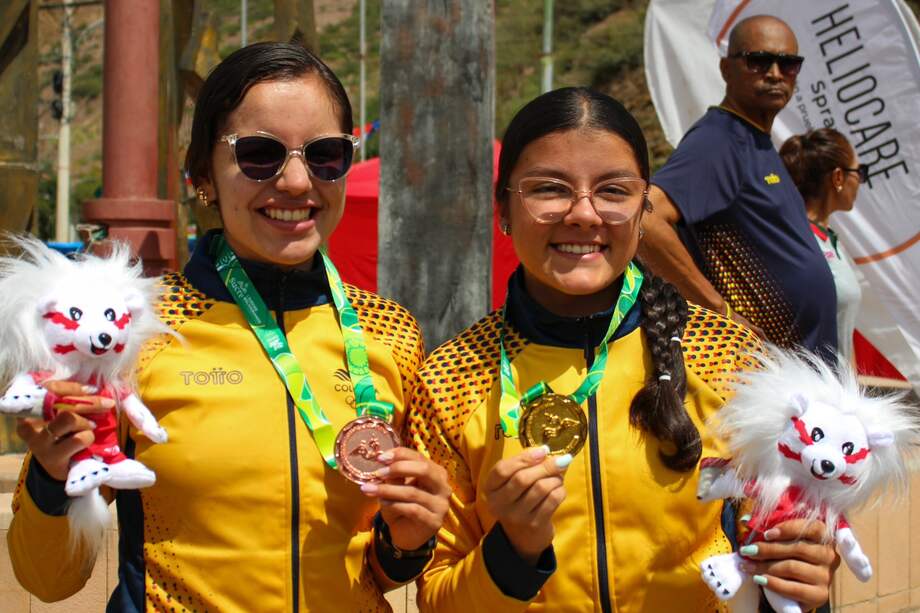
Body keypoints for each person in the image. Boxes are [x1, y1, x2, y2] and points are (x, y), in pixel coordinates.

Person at [7, 42, 450, 612]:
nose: (296, 181)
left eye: (326, 155)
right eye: (260, 154)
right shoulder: (131, 332)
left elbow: (373, 573)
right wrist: (51, 477)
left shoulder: (389, 332)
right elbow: (48, 581)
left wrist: (407, 542)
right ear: (202, 176)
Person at [407, 87, 837, 612]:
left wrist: (802, 572)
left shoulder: (727, 355)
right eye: (549, 189)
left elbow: (778, 544)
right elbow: (437, 599)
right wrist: (511, 551)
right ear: (503, 208)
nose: (584, 214)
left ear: (643, 208)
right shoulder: (451, 378)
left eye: (613, 191)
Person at [641, 15, 838, 361]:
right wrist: (720, 312)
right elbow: (646, 218)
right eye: (758, 60)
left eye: (788, 63)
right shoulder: (719, 141)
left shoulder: (755, 142)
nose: (775, 73)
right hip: (763, 378)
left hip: (798, 372)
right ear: (726, 69)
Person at [780, 128, 865, 363]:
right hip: (808, 393)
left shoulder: (828, 237)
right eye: (859, 172)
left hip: (838, 393)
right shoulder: (799, 241)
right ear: (838, 177)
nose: (860, 181)